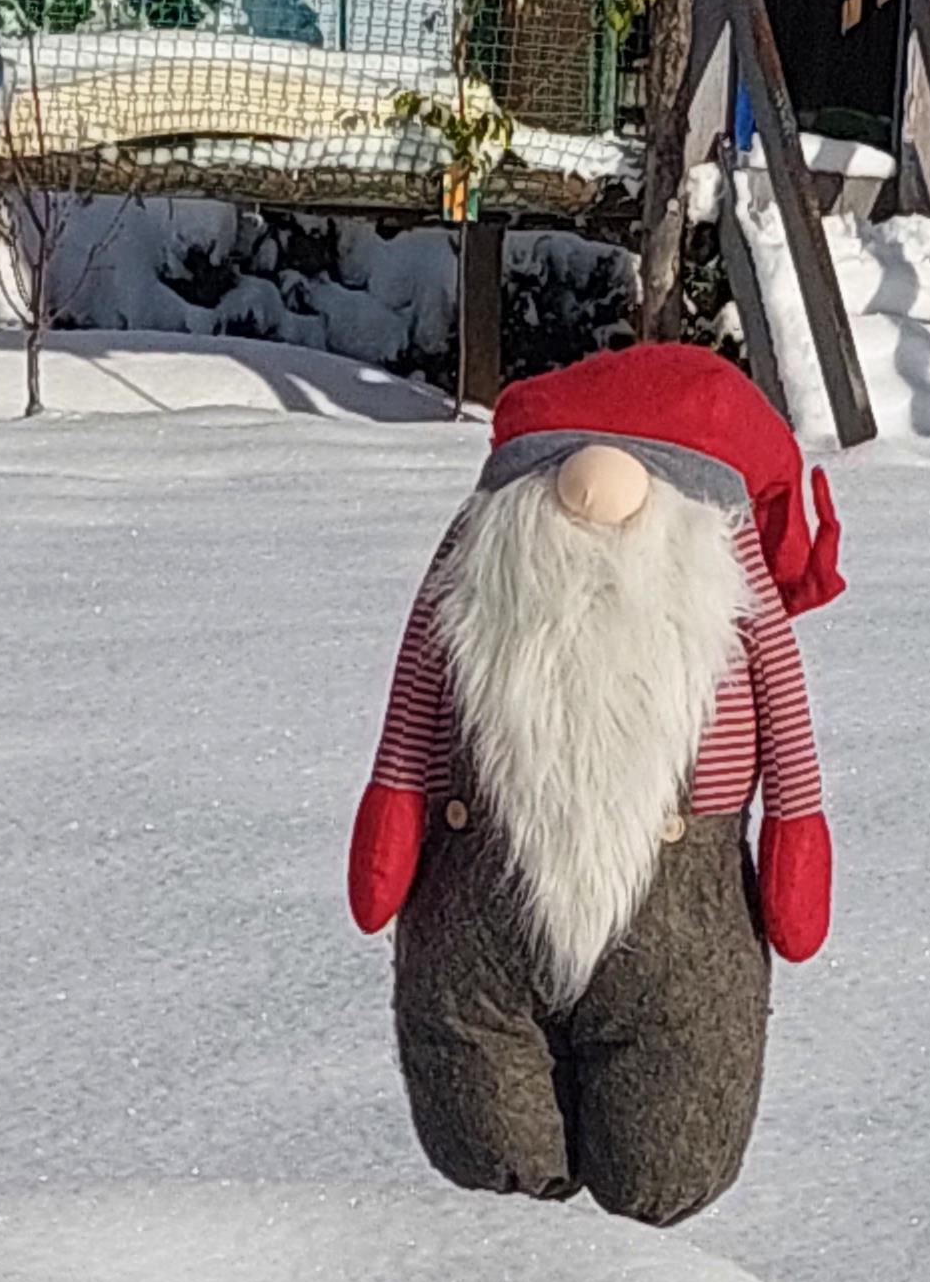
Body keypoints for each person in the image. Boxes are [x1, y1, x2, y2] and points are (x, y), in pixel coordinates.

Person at [348, 346, 841, 1226]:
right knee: (485, 1123)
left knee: (669, 1138)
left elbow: (783, 707)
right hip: (480, 901)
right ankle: (516, 1202)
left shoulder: (726, 576)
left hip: (681, 913)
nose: (595, 482)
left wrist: (795, 835)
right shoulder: (481, 553)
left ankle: (637, 1217)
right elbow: (419, 687)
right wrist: (393, 806)